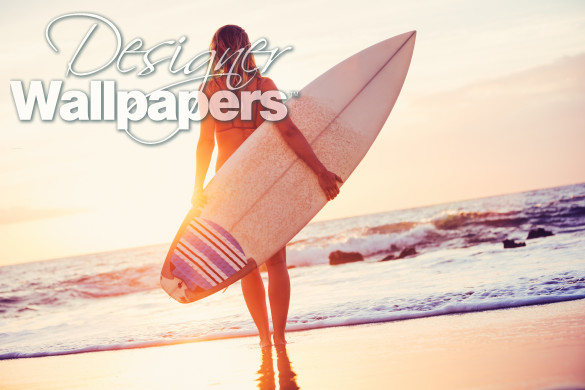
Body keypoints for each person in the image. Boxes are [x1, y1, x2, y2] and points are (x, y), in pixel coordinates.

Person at [192, 25, 342, 347]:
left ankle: (263, 337)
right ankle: (279, 338)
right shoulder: (264, 86)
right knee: (276, 262)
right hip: (266, 182)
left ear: (217, 51)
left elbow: (205, 143)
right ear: (246, 48)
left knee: (248, 265)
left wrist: (197, 188)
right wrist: (320, 171)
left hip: (230, 184)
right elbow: (288, 133)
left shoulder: (210, 90)